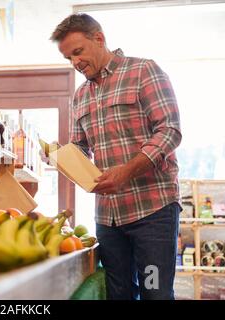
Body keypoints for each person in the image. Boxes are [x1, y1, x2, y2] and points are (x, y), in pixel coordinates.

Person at [48, 13, 182, 300]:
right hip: (108, 218)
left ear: (99, 38)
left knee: (154, 292)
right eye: (67, 57)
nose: (74, 62)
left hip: (153, 212)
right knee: (118, 294)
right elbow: (80, 147)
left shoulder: (144, 71)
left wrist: (127, 171)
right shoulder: (80, 95)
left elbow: (170, 130)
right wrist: (63, 159)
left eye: (78, 51)